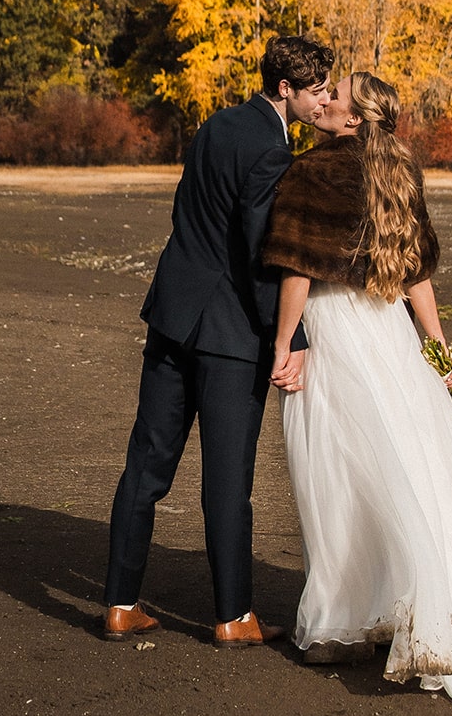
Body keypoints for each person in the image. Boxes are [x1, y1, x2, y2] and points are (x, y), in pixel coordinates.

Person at [263, 71, 452, 708]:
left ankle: (346, 614)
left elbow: (297, 268)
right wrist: (434, 346)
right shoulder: (398, 169)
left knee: (337, 474)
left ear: (350, 119)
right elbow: (416, 274)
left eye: (334, 96)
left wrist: (286, 342)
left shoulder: (311, 173)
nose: (322, 100)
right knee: (412, 463)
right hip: (388, 333)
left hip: (337, 332)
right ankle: (410, 602)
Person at [103, 35, 334, 646]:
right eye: (316, 91)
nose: (324, 100)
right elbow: (267, 257)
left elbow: (187, 214)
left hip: (173, 315)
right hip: (229, 337)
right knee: (227, 481)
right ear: (285, 88)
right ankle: (234, 616)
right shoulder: (269, 150)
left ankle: (119, 603)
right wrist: (292, 337)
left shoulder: (213, 126)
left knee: (146, 466)